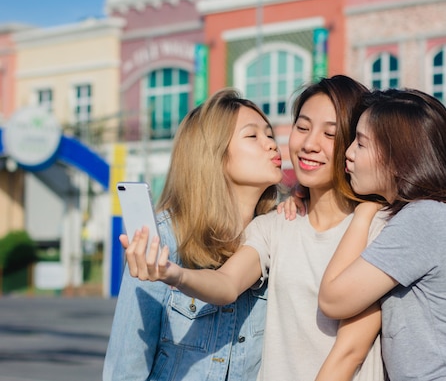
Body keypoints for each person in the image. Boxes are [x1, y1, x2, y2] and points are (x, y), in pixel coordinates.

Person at [123, 75, 386, 381]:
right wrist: (175, 274)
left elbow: (350, 350)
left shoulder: (377, 226)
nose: (309, 143)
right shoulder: (273, 226)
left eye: (330, 134)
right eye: (302, 127)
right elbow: (226, 285)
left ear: (355, 144)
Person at [319, 88, 446, 380]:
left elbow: (334, 300)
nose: (348, 153)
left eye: (360, 144)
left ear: (398, 156)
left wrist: (362, 216)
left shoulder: (426, 219)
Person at [103, 89, 283, 381]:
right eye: (253, 136)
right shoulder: (165, 240)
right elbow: (127, 366)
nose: (272, 145)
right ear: (213, 154)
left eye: (270, 134)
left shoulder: (279, 234)